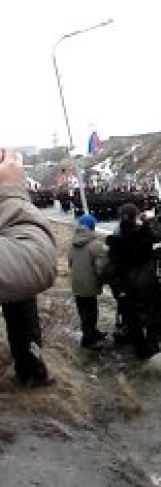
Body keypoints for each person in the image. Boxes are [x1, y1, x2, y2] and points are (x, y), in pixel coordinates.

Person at [0, 148, 57, 387]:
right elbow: (38, 258)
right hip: (17, 282)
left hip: (17, 294)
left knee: (24, 327)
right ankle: (32, 372)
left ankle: (30, 368)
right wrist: (10, 192)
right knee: (25, 329)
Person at [105, 203, 161, 359]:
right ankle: (152, 345)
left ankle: (140, 349)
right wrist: (149, 222)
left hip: (127, 283)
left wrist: (117, 288)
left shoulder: (116, 239)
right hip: (146, 280)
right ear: (136, 216)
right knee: (152, 315)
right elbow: (159, 236)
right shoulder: (142, 234)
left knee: (132, 318)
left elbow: (112, 267)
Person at [68, 213, 108, 349]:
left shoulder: (73, 243)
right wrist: (102, 280)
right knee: (91, 312)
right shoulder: (96, 245)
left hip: (77, 283)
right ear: (92, 227)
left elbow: (70, 263)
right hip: (90, 284)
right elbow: (101, 268)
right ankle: (88, 339)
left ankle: (92, 333)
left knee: (83, 311)